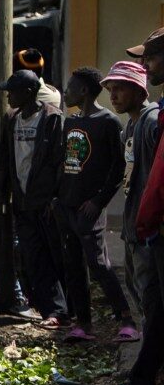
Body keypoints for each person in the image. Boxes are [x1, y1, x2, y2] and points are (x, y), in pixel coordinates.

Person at [54, 67, 138, 343]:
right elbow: (64, 164)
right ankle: (83, 323)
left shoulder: (108, 122)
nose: (65, 92)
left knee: (99, 264)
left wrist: (99, 201)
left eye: (69, 87)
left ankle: (126, 319)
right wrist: (57, 197)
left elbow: (118, 167)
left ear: (84, 91)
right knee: (74, 265)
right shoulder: (72, 122)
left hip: (89, 209)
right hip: (66, 205)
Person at [108, 34, 164, 385]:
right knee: (155, 310)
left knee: (154, 307)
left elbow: (153, 181)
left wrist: (145, 224)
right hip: (144, 226)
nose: (148, 66)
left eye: (152, 59)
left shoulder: (152, 121)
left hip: (153, 230)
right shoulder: (140, 123)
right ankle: (142, 384)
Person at [0, 69, 68, 327]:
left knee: (55, 255)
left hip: (46, 202)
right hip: (23, 200)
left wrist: (56, 197)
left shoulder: (52, 119)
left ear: (27, 93)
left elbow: (60, 161)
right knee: (33, 256)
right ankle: (48, 308)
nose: (8, 97)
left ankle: (64, 310)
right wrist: (3, 194)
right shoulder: (12, 119)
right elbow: (4, 160)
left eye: (11, 92)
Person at [109, 60, 161, 327]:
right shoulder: (129, 126)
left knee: (150, 297)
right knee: (137, 291)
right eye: (111, 88)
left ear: (140, 90)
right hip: (133, 228)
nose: (113, 96)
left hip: (147, 230)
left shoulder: (151, 122)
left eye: (120, 88)